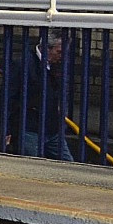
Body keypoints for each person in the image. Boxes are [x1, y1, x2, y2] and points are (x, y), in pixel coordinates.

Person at [20, 33, 74, 161]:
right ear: (46, 48)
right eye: (59, 52)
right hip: (30, 129)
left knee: (68, 164)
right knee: (32, 165)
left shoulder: (55, 66)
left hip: (52, 128)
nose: (62, 56)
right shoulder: (25, 64)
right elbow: (9, 96)